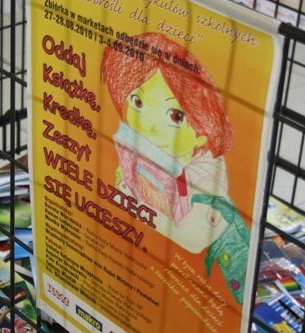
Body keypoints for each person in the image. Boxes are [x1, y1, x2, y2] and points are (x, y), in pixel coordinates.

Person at [101, 32, 250, 304]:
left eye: (175, 115)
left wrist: (132, 204)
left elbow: (194, 238)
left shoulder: (206, 171)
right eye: (137, 102)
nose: (149, 126)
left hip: (228, 277)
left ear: (202, 129)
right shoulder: (143, 150)